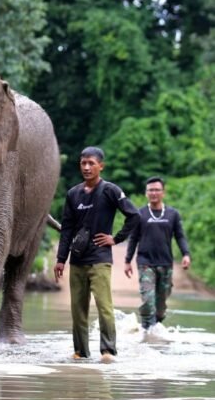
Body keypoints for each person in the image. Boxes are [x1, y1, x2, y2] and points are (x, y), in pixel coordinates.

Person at [54, 146, 139, 363]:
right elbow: (67, 230)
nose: (87, 167)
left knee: (104, 307)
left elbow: (134, 216)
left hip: (100, 260)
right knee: (78, 310)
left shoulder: (110, 190)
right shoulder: (73, 194)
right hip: (78, 260)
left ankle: (108, 351)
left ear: (101, 166)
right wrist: (61, 259)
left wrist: (116, 238)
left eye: (91, 163)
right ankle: (81, 352)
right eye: (83, 163)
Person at [124, 176, 191, 334]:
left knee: (160, 306)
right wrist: (127, 261)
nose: (154, 193)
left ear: (163, 192)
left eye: (157, 190)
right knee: (148, 300)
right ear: (146, 193)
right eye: (150, 190)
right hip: (145, 263)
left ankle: (153, 327)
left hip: (165, 263)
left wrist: (186, 254)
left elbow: (180, 236)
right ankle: (147, 331)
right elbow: (133, 238)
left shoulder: (172, 214)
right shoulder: (139, 214)